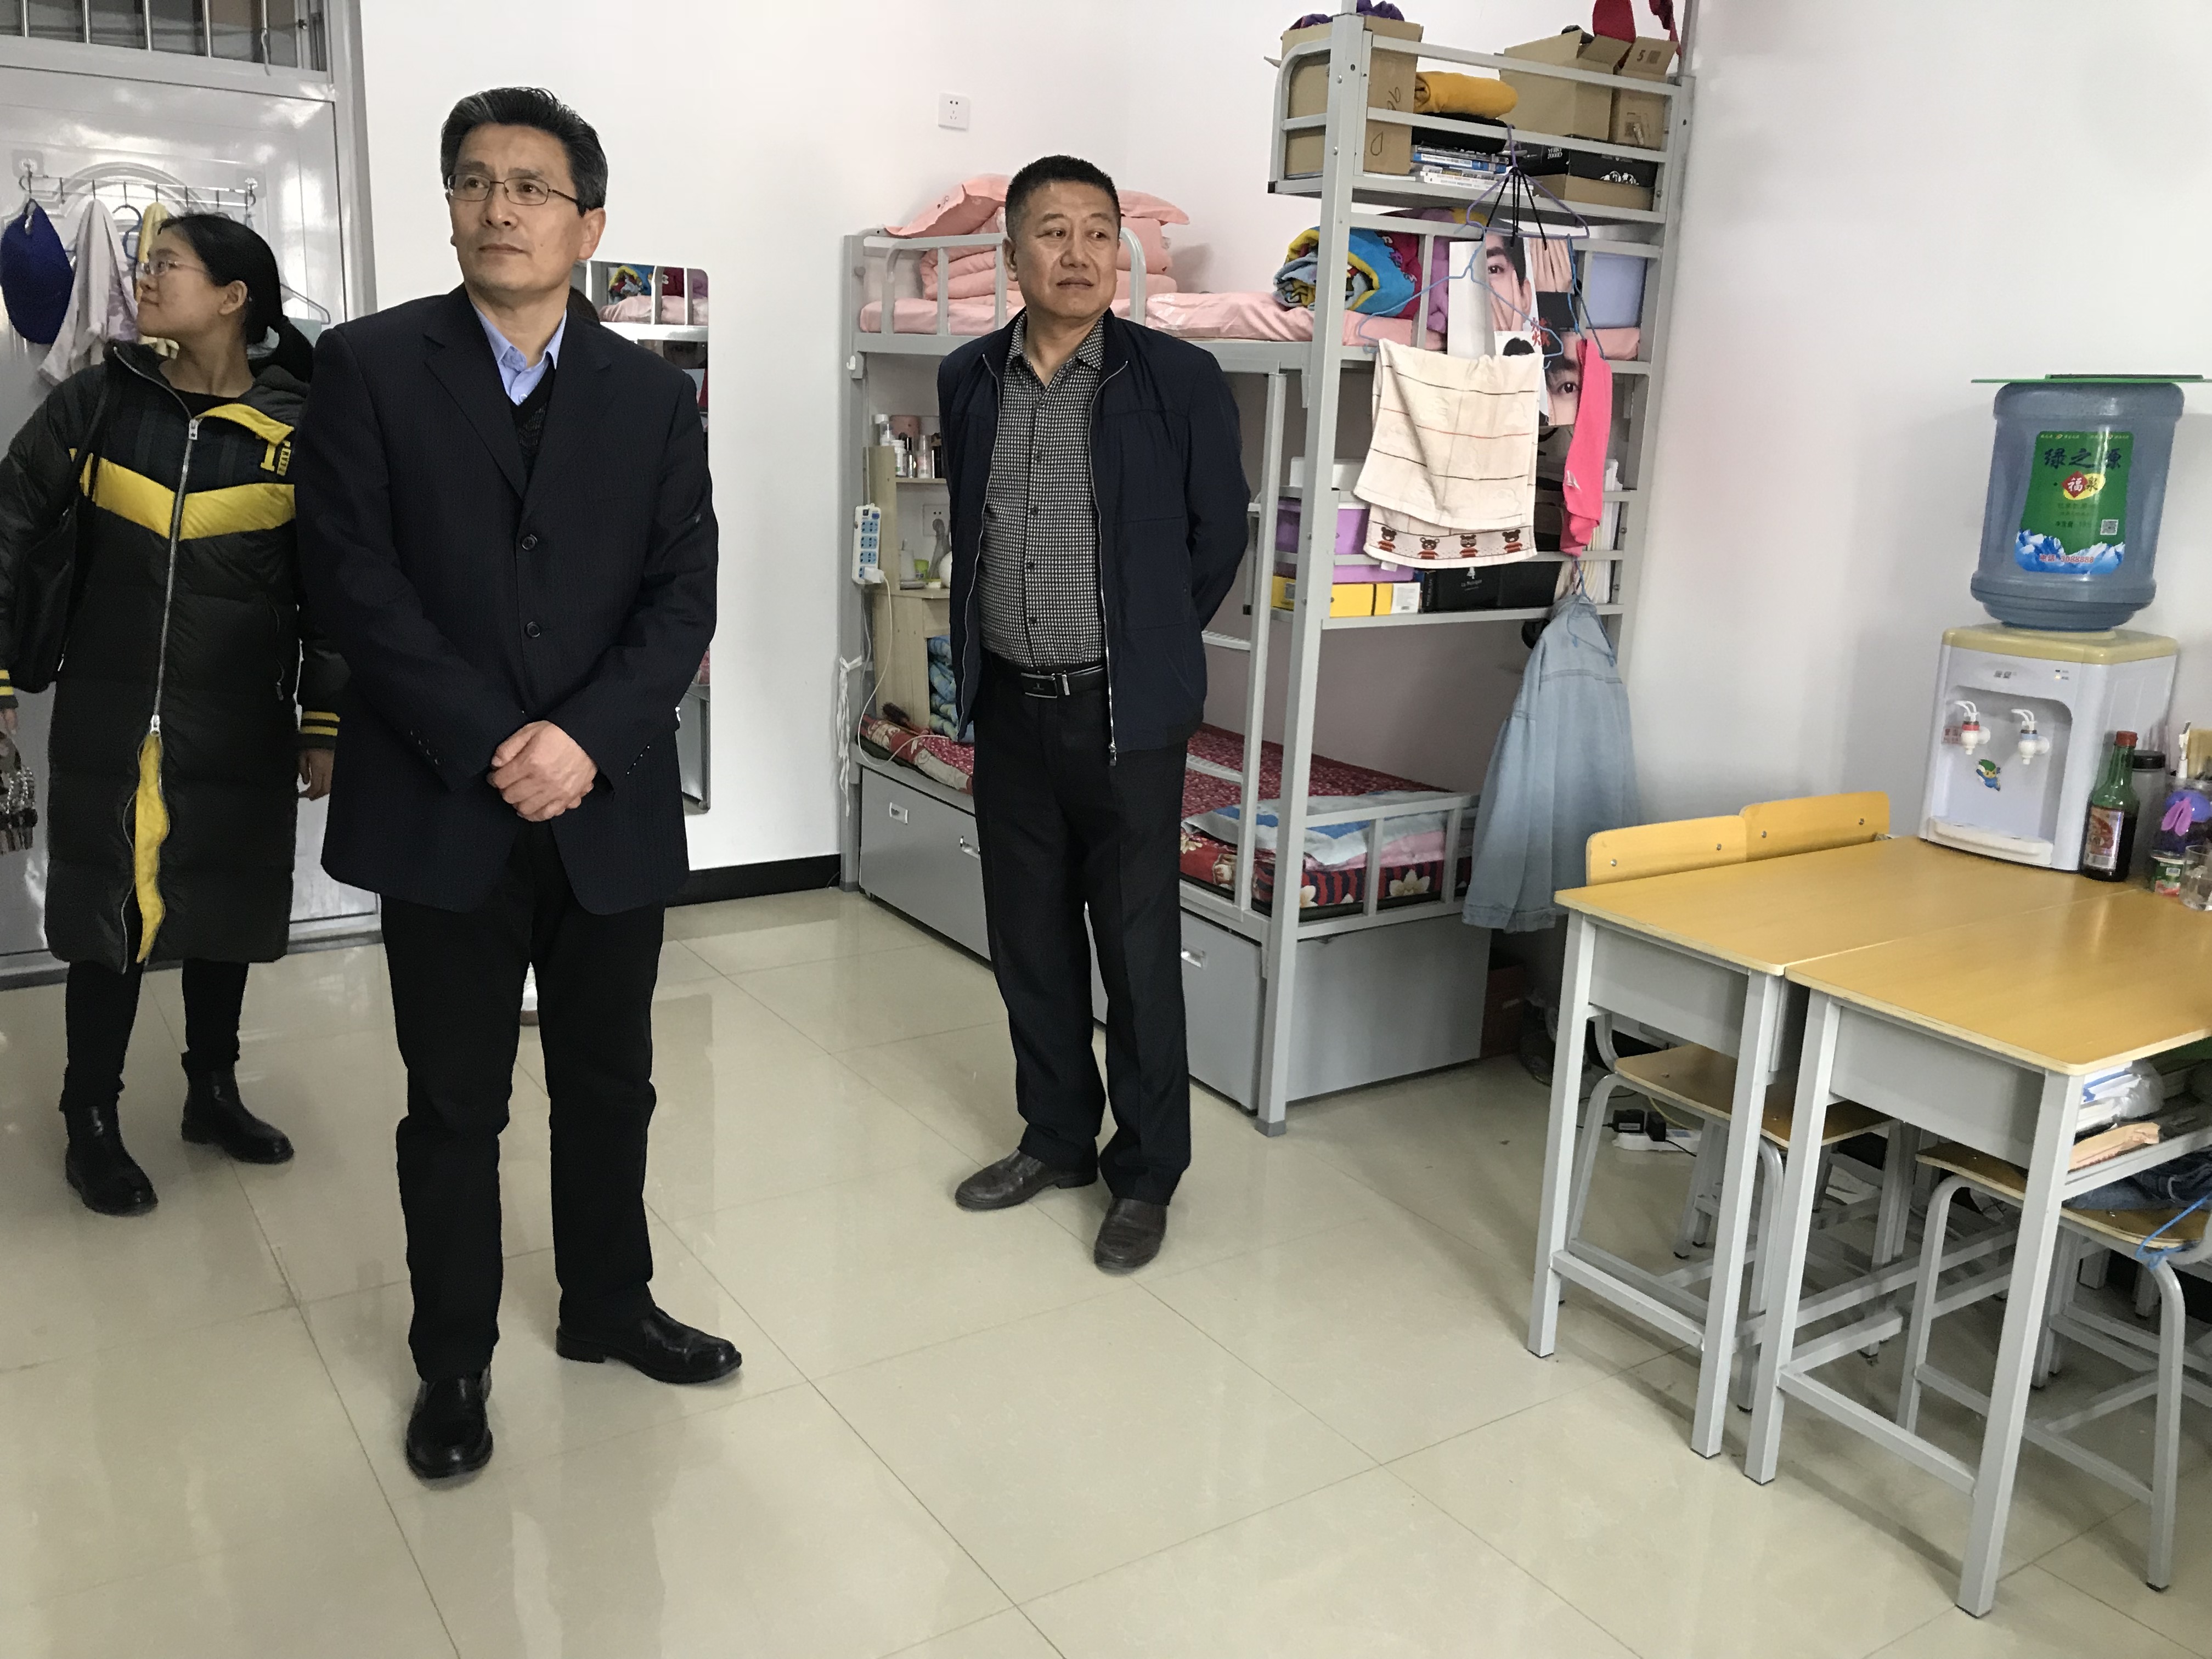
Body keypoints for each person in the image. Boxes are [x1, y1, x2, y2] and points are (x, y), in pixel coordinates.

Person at [293, 87, 730, 1485]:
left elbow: (683, 592)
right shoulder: (369, 366)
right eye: (474, 181)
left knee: (612, 1081)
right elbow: (349, 580)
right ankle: (454, 1359)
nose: (500, 208)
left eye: (533, 187)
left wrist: (584, 739)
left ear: (589, 224)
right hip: (443, 799)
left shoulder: (652, 396)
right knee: (453, 1104)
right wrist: (498, 739)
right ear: (450, 208)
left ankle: (607, 1304)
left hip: (606, 801)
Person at [937, 155, 1248, 1272]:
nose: (1078, 254)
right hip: (1012, 709)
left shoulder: (1179, 379)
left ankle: (1147, 1171)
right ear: (1012, 252)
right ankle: (1057, 1139)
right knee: (1028, 941)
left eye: (1099, 232)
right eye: (1054, 231)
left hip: (1124, 717)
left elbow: (1219, 537)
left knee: (1136, 950)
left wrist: (1149, 640)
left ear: (1121, 250)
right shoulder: (969, 378)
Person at [0, 214, 341, 1217]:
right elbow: (8, 527)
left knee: (222, 901)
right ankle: (90, 1121)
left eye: (167, 266)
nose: (145, 279)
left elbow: (335, 587)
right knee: (108, 913)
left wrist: (324, 718)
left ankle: (212, 1093)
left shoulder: (298, 430)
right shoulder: (99, 403)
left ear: (234, 297)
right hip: (110, 717)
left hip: (239, 718)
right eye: (145, 264)